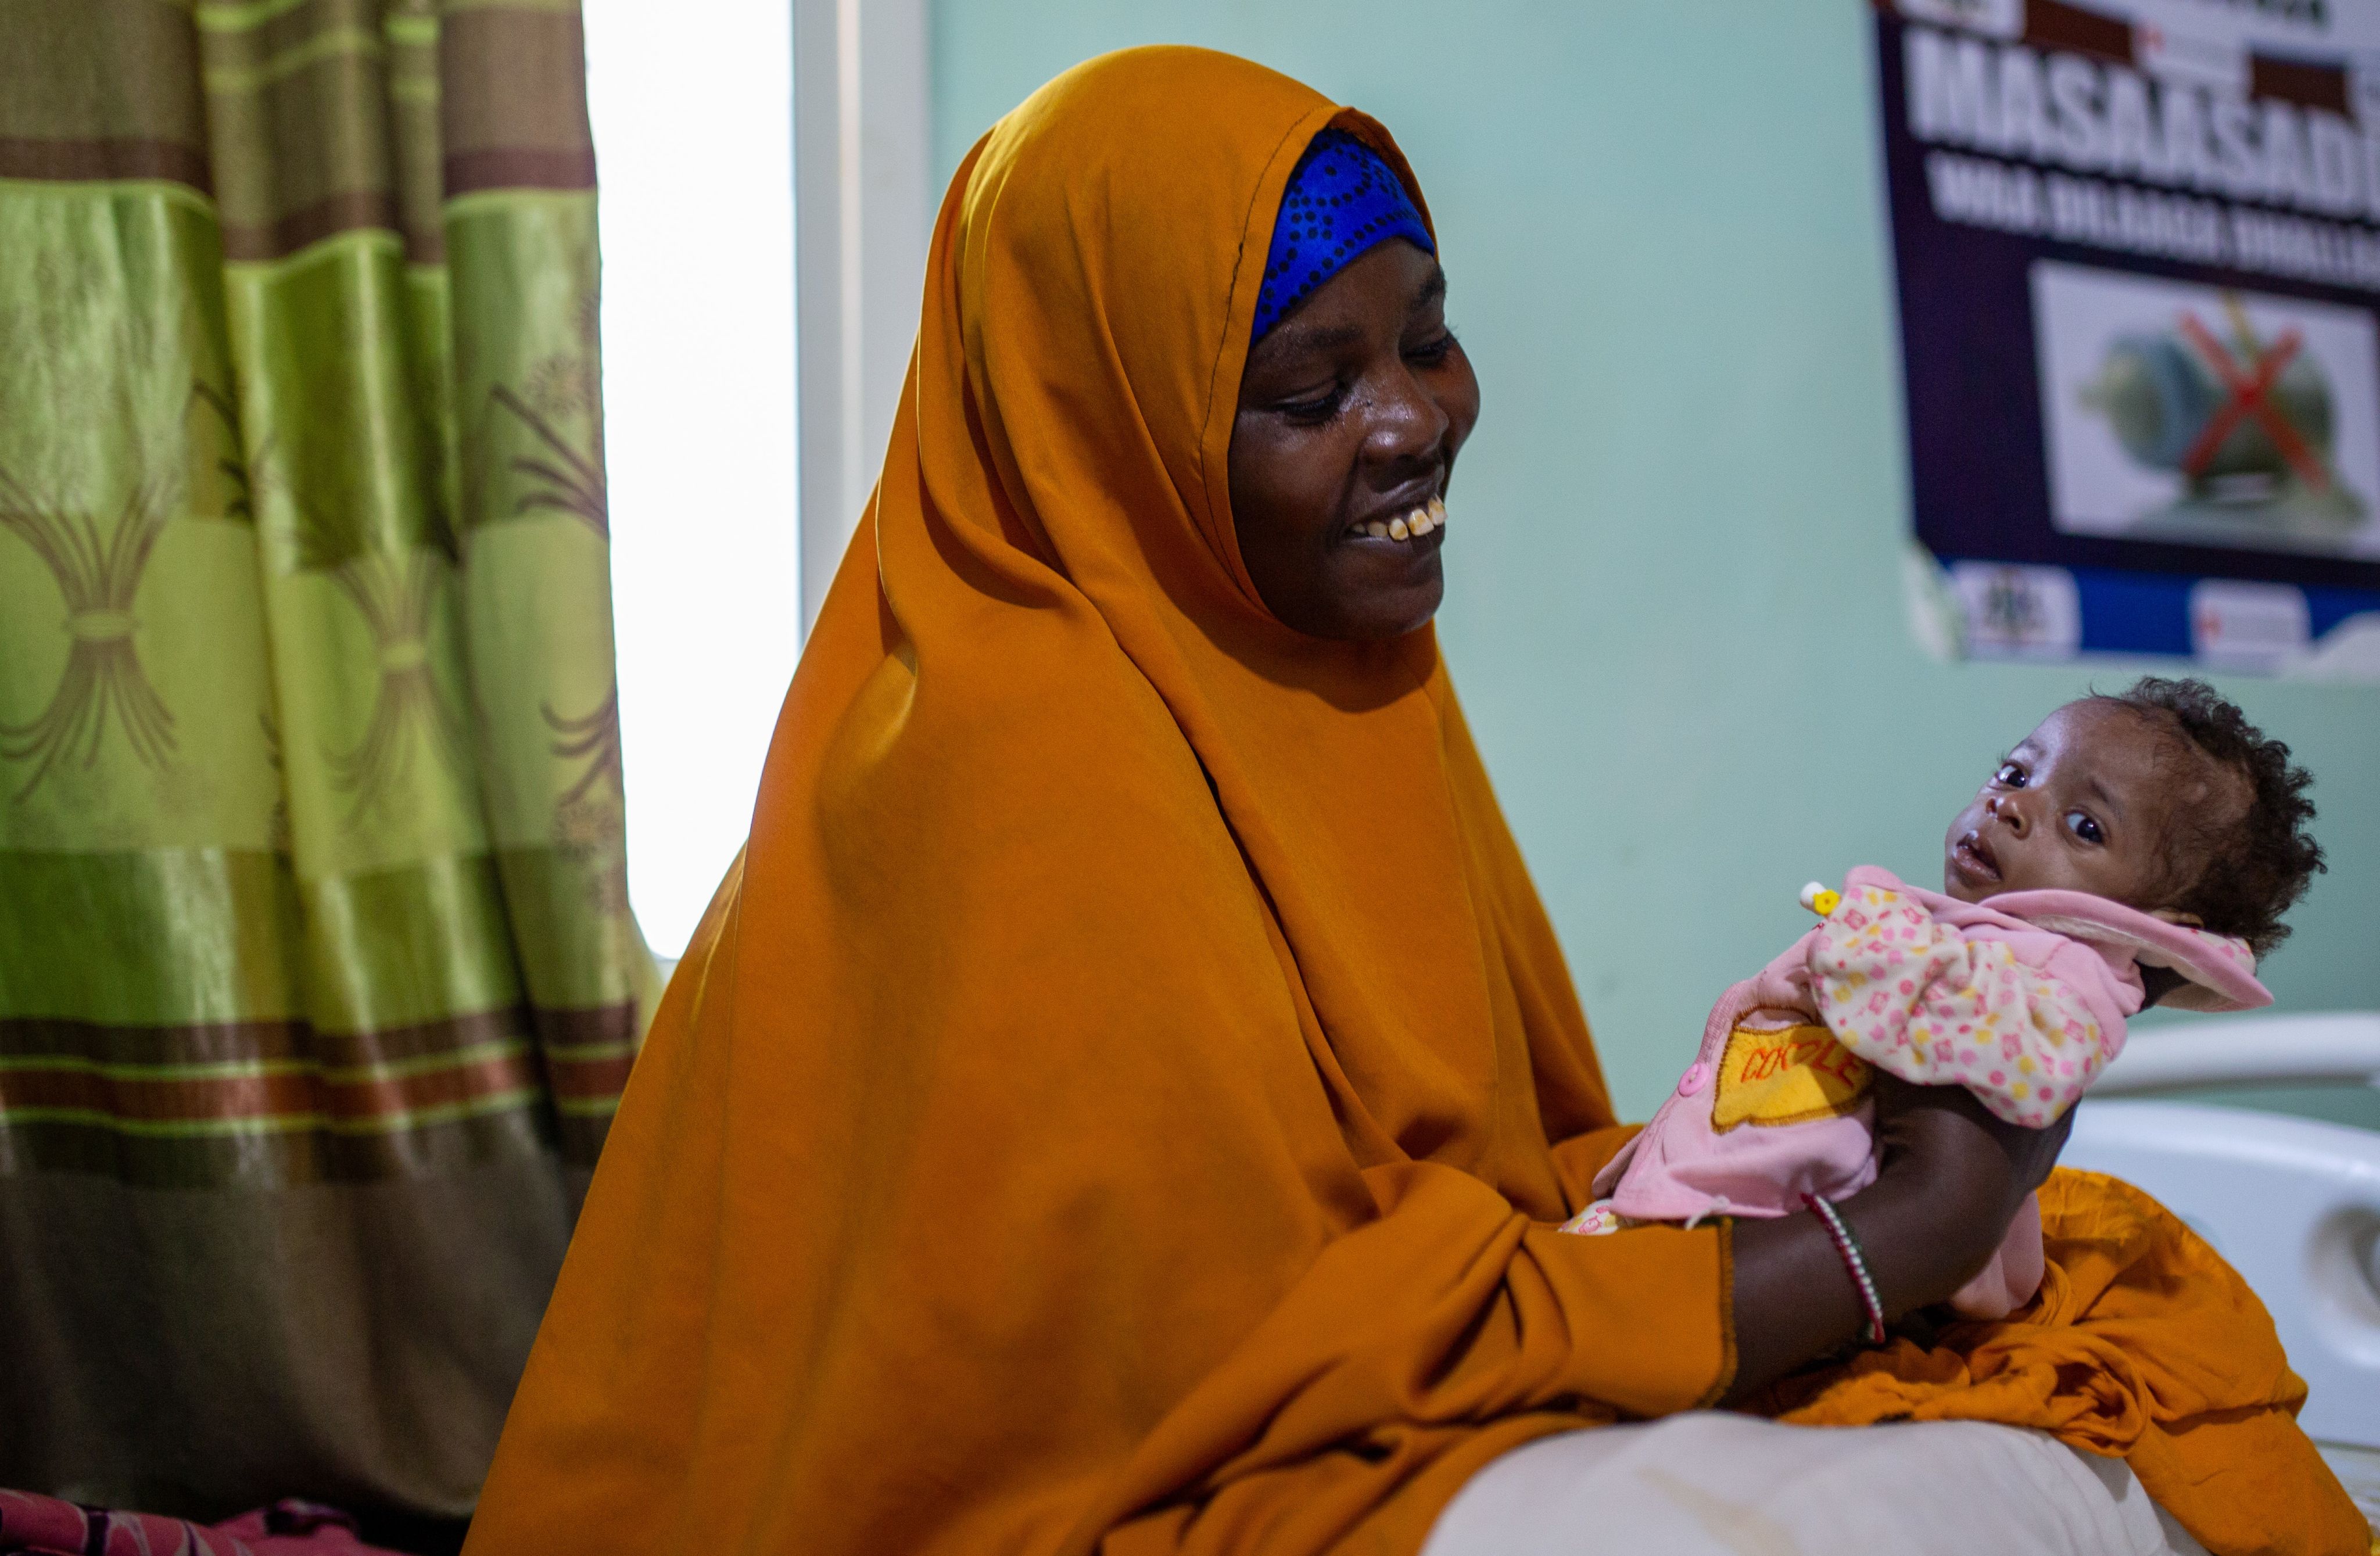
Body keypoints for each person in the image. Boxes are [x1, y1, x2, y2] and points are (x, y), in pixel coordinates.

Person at [463, 48, 2364, 1555]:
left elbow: (1452, 1174)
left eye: (1426, 334)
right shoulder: (1015, 781)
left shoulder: (1331, 677)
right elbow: (1188, 1355)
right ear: (1105, 423)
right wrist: (1864, 1253)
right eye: (1310, 382)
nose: (1416, 416)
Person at [1585, 681, 2316, 1324]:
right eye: (2015, 771)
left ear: (2160, 925)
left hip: (1789, 1242)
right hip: (1731, 1208)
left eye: (2085, 826)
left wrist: (1886, 949)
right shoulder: (1960, 936)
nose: (2012, 805)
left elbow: (2028, 1056)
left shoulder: (2063, 975)